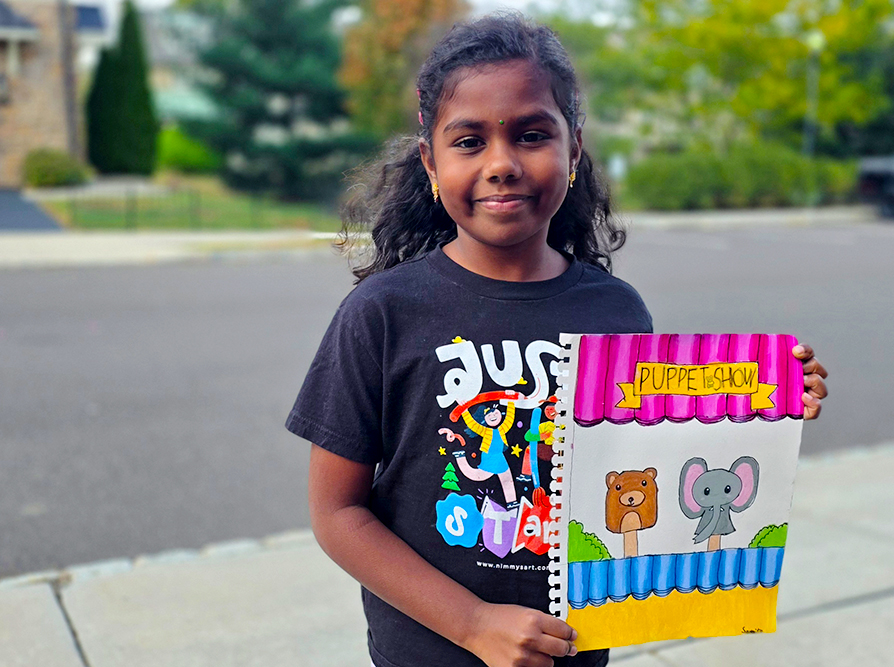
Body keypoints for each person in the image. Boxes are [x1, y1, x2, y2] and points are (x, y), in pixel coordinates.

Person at [286, 12, 828, 667]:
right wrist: (473, 623)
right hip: (429, 652)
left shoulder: (616, 310)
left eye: (532, 134)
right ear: (431, 162)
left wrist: (760, 406)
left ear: (574, 150)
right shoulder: (382, 312)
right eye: (469, 141)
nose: (502, 164)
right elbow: (338, 513)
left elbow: (651, 468)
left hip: (572, 651)